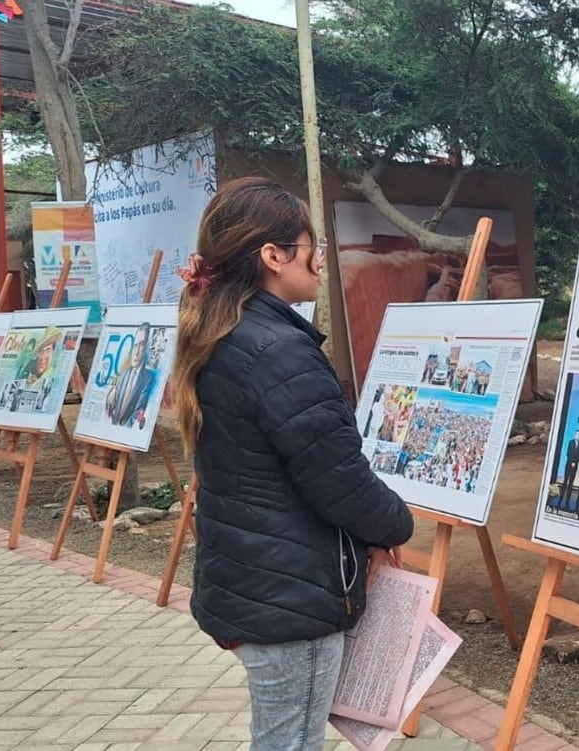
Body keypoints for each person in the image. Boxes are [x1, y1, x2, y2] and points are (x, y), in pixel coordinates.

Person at [170, 177, 414, 750]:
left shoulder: (227, 332)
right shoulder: (276, 350)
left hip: (259, 582)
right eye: (311, 248)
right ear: (273, 256)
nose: (321, 262)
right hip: (289, 600)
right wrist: (396, 524)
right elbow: (338, 477)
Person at [105, 323, 157, 428]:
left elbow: (138, 413)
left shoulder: (147, 378)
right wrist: (113, 391)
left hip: (124, 431)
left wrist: (121, 432)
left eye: (141, 345)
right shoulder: (124, 373)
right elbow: (111, 404)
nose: (136, 352)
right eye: (135, 345)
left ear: (147, 348)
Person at [560, 430, 579, 510]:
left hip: (575, 466)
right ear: (574, 435)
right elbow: (568, 453)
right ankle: (561, 498)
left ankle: (567, 500)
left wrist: (575, 462)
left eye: (578, 435)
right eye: (576, 434)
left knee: (571, 483)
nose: (577, 436)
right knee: (565, 481)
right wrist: (572, 462)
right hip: (568, 465)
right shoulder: (571, 442)